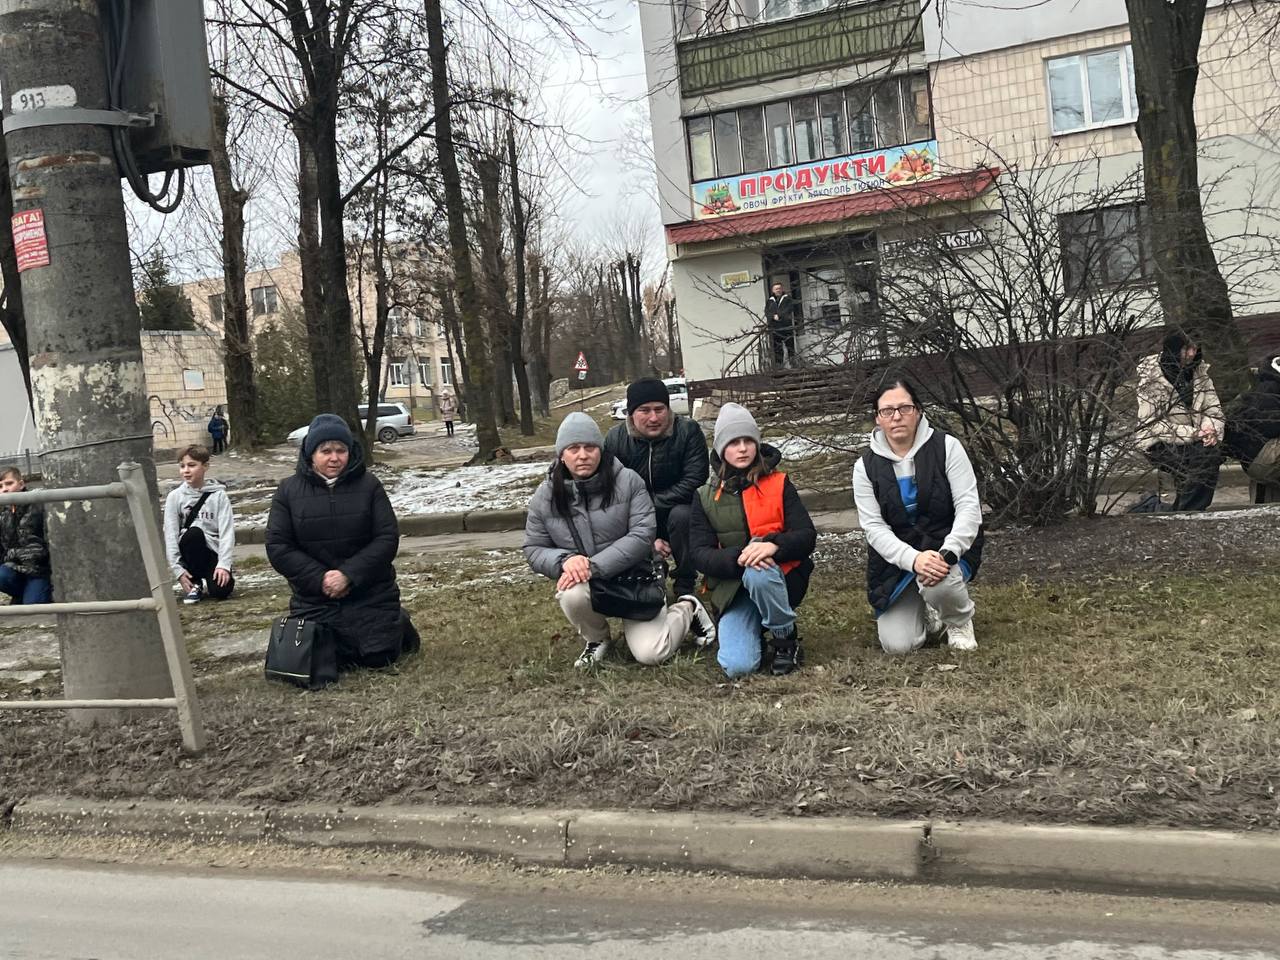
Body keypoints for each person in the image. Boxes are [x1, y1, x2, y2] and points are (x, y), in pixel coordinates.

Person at [525, 412, 716, 670]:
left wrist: (591, 566)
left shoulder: (628, 482)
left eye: (590, 447)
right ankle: (597, 639)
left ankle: (687, 608)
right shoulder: (545, 496)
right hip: (588, 581)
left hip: (636, 579)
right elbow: (534, 547)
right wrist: (565, 561)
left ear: (601, 450)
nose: (583, 455)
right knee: (571, 592)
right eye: (573, 448)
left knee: (652, 654)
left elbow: (642, 535)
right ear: (561, 455)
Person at [266, 414, 420, 668]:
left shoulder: (370, 485)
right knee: (322, 660)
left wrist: (348, 575)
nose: (334, 458)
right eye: (325, 451)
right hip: (315, 599)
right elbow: (279, 546)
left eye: (341, 450)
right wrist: (321, 578)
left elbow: (386, 538)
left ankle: (397, 623)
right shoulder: (287, 491)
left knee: (378, 658)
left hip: (369, 593)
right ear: (310, 454)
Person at [852, 377, 984, 655]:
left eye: (905, 408)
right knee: (898, 646)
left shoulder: (947, 447)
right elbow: (874, 528)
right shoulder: (865, 467)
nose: (896, 416)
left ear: (919, 411)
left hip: (945, 550)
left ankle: (958, 620)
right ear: (877, 418)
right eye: (887, 410)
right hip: (898, 561)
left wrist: (949, 553)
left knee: (940, 582)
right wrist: (913, 560)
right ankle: (929, 609)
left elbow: (968, 507)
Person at [688, 403, 816, 678]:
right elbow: (699, 554)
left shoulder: (780, 483)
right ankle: (753, 627)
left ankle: (785, 639)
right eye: (734, 442)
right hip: (733, 589)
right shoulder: (704, 496)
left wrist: (773, 546)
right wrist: (740, 557)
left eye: (748, 441)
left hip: (779, 579)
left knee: (759, 571)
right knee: (738, 666)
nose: (743, 448)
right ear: (721, 449)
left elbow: (807, 536)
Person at [603, 377, 710, 599]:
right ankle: (650, 571)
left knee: (683, 516)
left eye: (659, 409)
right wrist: (644, 529)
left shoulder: (687, 431)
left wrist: (651, 504)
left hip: (677, 510)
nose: (653, 418)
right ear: (631, 413)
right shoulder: (615, 439)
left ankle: (685, 581)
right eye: (644, 410)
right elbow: (612, 490)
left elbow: (695, 479)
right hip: (635, 517)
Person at [1134, 332, 1225, 512]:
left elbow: (1213, 409)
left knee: (1209, 453)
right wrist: (1194, 434)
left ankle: (1175, 510)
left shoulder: (1200, 374)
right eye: (1186, 349)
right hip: (1158, 442)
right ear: (1174, 350)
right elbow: (1152, 424)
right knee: (1202, 458)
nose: (1191, 354)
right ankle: (1188, 512)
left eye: (1195, 348)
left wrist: (1210, 429)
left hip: (1195, 438)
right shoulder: (1151, 379)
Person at [162, 445, 236, 604]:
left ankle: (214, 576)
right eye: (182, 466)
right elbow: (170, 534)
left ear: (205, 466)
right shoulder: (175, 497)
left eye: (192, 465)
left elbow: (227, 532)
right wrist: (178, 571)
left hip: (211, 551)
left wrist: (224, 564)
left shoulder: (219, 496)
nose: (186, 471)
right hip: (189, 552)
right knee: (194, 533)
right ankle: (195, 583)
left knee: (221, 591)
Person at [0, 467, 53, 605]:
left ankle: (36, 592)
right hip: (14, 568)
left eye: (9, 483)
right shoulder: (4, 513)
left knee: (33, 606)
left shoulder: (37, 505)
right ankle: (22, 593)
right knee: (1, 576)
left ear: (21, 484)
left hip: (39, 570)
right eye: (0, 486)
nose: (4, 489)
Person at [1225, 354, 1280, 485]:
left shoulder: (1264, 381)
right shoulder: (1269, 388)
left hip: (1255, 456)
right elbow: (1268, 426)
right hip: (1261, 457)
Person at [764, 280, 799, 369]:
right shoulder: (770, 301)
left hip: (786, 326)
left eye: (779, 288)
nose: (778, 290)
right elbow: (767, 312)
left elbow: (789, 309)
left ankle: (793, 364)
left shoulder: (787, 299)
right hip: (775, 328)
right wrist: (773, 316)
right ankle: (779, 366)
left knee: (790, 346)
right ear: (773, 290)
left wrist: (779, 315)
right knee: (777, 348)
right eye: (776, 289)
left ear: (782, 289)